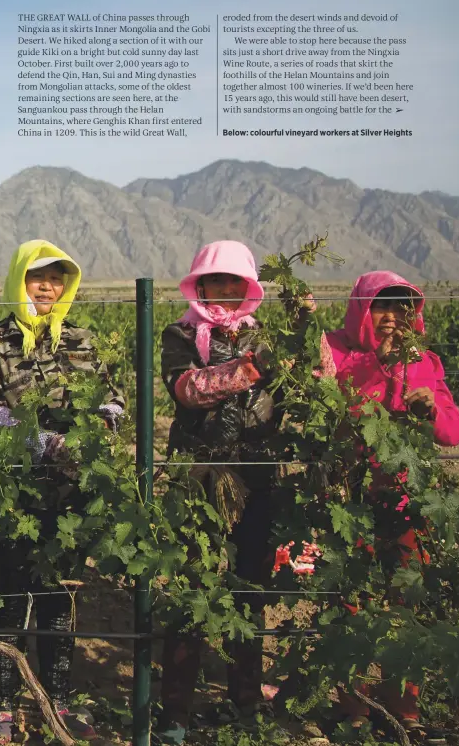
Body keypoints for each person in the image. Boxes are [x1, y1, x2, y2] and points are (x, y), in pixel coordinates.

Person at [0, 239, 124, 743]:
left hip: (71, 498)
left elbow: (114, 399)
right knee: (10, 601)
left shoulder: (82, 340)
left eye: (57, 277)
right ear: (20, 282)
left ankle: (59, 703)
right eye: (38, 277)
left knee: (60, 600)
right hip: (11, 496)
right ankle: (6, 710)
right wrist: (41, 443)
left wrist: (100, 428)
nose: (49, 286)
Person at [318, 270, 459, 738]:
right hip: (350, 494)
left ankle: (404, 707)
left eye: (403, 309)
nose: (392, 319)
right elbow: (323, 415)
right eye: (382, 307)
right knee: (350, 600)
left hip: (404, 498)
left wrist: (432, 410)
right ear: (362, 309)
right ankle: (354, 706)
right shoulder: (335, 352)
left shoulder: (426, 362)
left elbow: (454, 432)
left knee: (407, 598)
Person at [155, 240, 285, 745]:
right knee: (192, 587)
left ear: (249, 288)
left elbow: (307, 387)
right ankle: (176, 711)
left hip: (257, 476)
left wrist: (306, 345)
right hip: (198, 475)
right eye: (217, 281)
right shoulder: (181, 333)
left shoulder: (270, 336)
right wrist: (249, 370)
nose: (227, 290)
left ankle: (244, 703)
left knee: (249, 589)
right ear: (200, 285)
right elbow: (187, 390)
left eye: (237, 281)